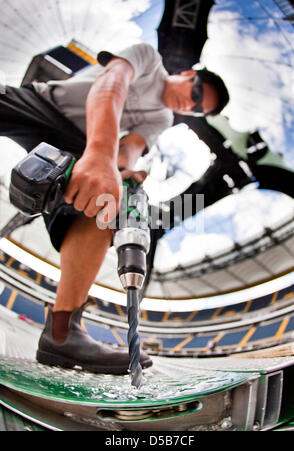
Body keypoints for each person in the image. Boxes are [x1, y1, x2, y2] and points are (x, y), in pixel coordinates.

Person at [0, 43, 229, 374]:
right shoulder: (149, 60)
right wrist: (101, 154)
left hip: (81, 145)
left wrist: (121, 171)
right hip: (44, 106)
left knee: (109, 201)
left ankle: (61, 333)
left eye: (197, 109)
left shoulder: (162, 118)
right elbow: (110, 85)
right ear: (188, 73)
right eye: (195, 92)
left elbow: (129, 151)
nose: (190, 104)